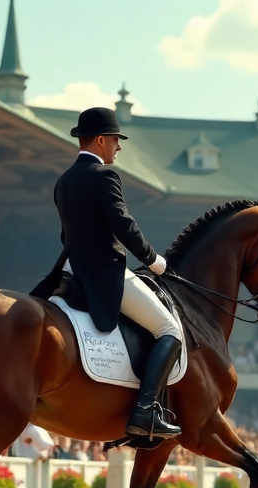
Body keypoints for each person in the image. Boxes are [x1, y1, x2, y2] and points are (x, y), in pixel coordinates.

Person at [30, 107, 183, 443]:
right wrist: (153, 259)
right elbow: (123, 224)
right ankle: (146, 411)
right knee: (170, 330)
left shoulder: (64, 181)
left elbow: (67, 235)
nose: (119, 146)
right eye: (115, 139)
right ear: (100, 140)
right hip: (103, 271)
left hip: (70, 269)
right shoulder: (104, 175)